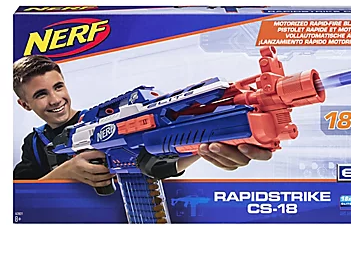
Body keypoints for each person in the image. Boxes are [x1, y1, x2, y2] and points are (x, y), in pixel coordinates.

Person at [13, 55, 272, 189]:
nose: (55, 99)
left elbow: (154, 163)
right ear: (25, 104)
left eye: (58, 87)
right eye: (40, 94)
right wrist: (66, 172)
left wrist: (203, 147)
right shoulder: (35, 143)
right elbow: (17, 199)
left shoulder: (98, 119)